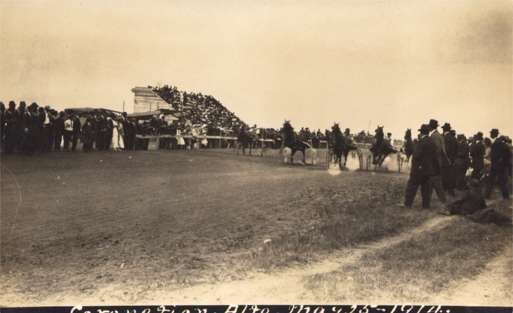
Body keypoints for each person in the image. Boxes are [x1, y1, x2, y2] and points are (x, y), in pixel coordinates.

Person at [402, 124, 439, 209]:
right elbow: (435, 156)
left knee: (412, 186)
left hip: (418, 169)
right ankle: (426, 206)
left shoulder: (421, 142)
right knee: (426, 189)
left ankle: (407, 204)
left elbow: (417, 154)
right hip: (428, 169)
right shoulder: (432, 142)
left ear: (421, 133)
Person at [485, 129, 511, 200]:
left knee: (498, 181)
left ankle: (505, 196)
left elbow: (507, 154)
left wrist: (502, 161)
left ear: (494, 134)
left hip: (498, 165)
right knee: (495, 181)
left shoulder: (498, 143)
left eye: (491, 133)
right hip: (496, 165)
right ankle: (505, 196)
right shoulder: (498, 142)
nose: (490, 135)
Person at [428, 119, 447, 204]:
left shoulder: (434, 136)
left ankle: (443, 200)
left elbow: (437, 149)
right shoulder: (438, 135)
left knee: (436, 182)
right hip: (437, 162)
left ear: (431, 127)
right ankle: (428, 200)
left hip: (434, 162)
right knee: (433, 181)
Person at [442, 123, 458, 196]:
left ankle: (447, 190)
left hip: (445, 159)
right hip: (452, 159)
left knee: (445, 174)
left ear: (444, 129)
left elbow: (446, 150)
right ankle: (450, 190)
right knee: (450, 175)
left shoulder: (444, 137)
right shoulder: (453, 138)